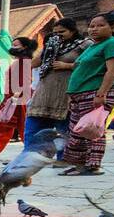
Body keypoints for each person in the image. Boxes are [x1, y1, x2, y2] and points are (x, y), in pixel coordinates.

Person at [60, 12, 114, 177]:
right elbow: (79, 67)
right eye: (91, 26)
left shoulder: (113, 44)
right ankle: (79, 164)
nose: (94, 29)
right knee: (77, 130)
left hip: (96, 92)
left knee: (92, 129)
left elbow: (113, 71)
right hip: (80, 93)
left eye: (100, 25)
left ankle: (92, 165)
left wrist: (101, 93)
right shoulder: (92, 46)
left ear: (111, 27)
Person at [24, 18, 84, 149]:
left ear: (73, 30)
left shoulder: (84, 45)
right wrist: (46, 49)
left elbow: (91, 65)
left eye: (62, 32)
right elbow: (34, 63)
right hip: (43, 95)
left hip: (64, 96)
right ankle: (28, 160)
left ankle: (61, 160)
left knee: (62, 133)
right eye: (55, 32)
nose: (58, 35)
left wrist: (68, 65)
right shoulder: (52, 44)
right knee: (32, 133)